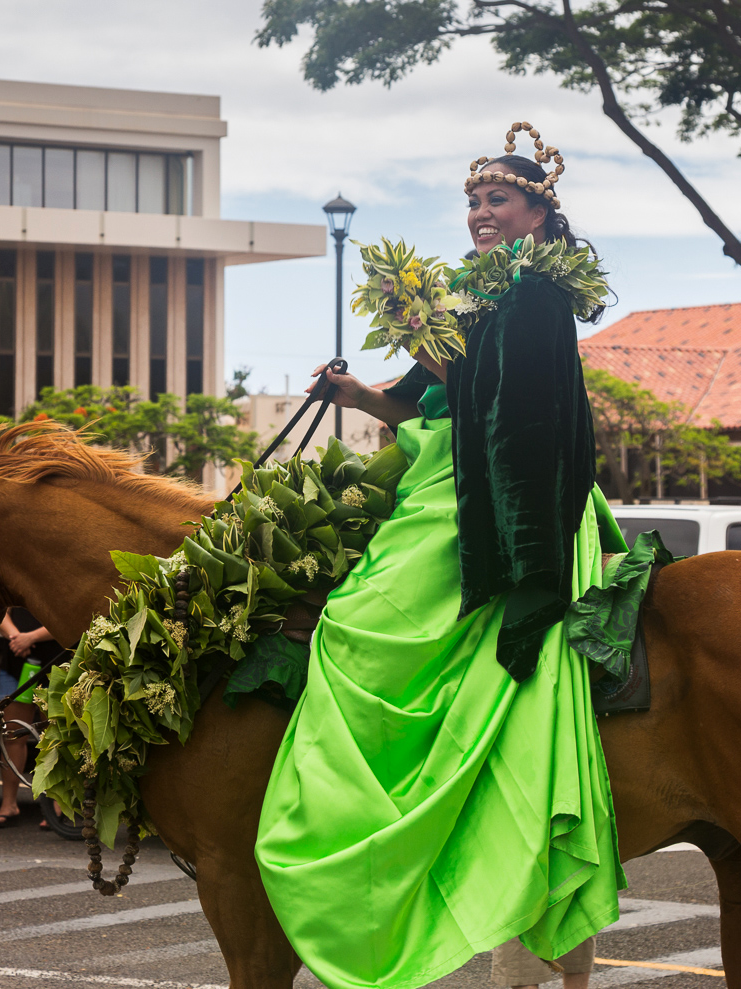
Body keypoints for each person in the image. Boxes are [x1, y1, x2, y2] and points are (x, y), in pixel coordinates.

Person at [255, 124, 626, 989]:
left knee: (353, 623)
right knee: (353, 614)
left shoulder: (538, 292)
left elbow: (510, 412)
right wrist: (355, 391)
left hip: (511, 500)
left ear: (540, 209)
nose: (481, 212)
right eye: (472, 200)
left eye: (498, 197)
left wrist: (437, 351)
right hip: (449, 482)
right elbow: (418, 403)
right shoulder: (467, 289)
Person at [0, 607, 60, 828]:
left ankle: (58, 805)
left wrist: (31, 637)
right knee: (12, 734)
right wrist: (15, 637)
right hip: (17, 658)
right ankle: (9, 804)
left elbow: (67, 615)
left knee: (54, 735)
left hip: (55, 660)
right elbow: (1, 607)